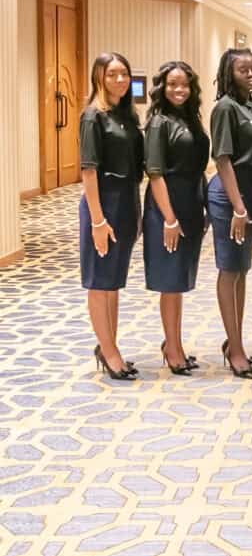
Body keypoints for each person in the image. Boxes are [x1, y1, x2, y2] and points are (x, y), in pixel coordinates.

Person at [142, 61, 210, 376]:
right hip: (166, 207)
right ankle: (172, 348)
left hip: (191, 204)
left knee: (180, 281)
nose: (179, 90)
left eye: (184, 84)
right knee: (170, 282)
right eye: (172, 84)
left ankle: (174, 343)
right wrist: (169, 218)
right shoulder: (159, 123)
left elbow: (199, 168)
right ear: (162, 87)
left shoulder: (192, 120)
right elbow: (155, 173)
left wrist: (204, 205)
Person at [208, 48, 252, 379]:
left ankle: (236, 342)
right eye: (242, 69)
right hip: (229, 199)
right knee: (230, 269)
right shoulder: (225, 108)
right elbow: (223, 159)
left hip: (250, 196)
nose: (250, 74)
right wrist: (238, 207)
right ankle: (234, 349)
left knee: (242, 270)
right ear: (228, 74)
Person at [79, 52, 143, 381]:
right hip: (102, 204)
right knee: (99, 281)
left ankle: (109, 346)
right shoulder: (94, 116)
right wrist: (98, 220)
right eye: (112, 74)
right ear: (99, 77)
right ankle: (109, 351)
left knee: (113, 282)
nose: (120, 80)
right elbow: (88, 171)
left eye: (124, 74)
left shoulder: (126, 115)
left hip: (126, 202)